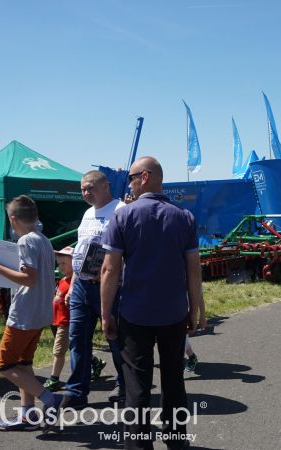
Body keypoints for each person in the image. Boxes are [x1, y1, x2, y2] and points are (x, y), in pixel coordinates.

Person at [100, 157, 206, 449]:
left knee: (137, 385)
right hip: (173, 313)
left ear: (145, 177)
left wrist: (105, 313)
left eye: (132, 177)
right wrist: (197, 308)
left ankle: (138, 445)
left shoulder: (123, 217)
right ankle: (176, 440)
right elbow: (193, 269)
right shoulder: (184, 217)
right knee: (174, 379)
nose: (129, 183)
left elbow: (110, 269)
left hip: (135, 315)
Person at [0, 195, 61, 431]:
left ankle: (48, 399)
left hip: (24, 313)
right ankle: (27, 416)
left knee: (4, 366)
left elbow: (29, 278)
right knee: (24, 364)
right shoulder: (44, 240)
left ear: (13, 219)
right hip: (40, 312)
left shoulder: (26, 241)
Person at [62, 170, 127, 409]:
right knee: (77, 338)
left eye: (90, 188)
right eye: (83, 189)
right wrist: (72, 286)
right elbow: (81, 248)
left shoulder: (120, 210)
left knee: (115, 338)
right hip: (81, 285)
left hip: (109, 286)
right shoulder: (87, 213)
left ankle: (125, 386)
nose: (86, 193)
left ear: (105, 186)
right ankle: (77, 390)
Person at [44, 246, 74, 392]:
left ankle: (54, 379)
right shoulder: (62, 281)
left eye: (64, 263)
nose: (60, 266)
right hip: (58, 321)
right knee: (75, 347)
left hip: (66, 323)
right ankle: (95, 362)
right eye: (59, 263)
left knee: (58, 351)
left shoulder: (75, 284)